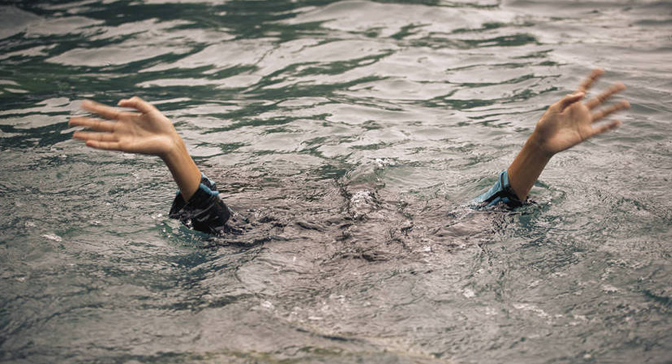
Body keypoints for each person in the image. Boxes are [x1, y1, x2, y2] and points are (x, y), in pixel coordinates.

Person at [68, 69, 630, 234]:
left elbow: (222, 224)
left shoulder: (398, 244)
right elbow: (488, 212)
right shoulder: (408, 244)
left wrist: (538, 147)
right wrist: (537, 150)